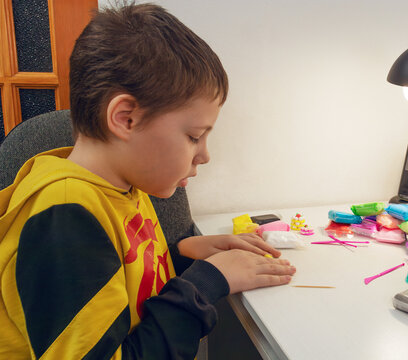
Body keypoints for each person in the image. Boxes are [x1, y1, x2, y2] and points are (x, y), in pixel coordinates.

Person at [0, 3, 295, 359]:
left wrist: (187, 254)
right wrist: (207, 282)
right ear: (125, 118)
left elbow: (121, 281)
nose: (204, 155)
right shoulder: (65, 217)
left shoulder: (122, 186)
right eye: (193, 136)